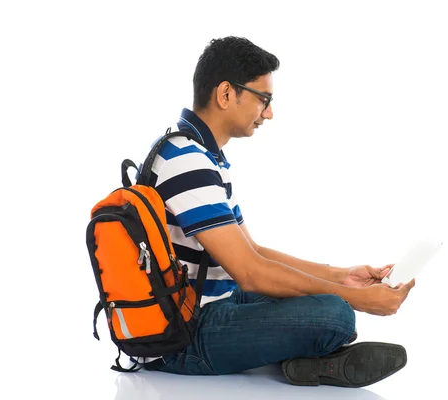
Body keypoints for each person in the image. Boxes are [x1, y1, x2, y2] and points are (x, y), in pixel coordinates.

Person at [137, 36, 416, 388]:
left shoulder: (197, 155)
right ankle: (312, 359)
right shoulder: (187, 161)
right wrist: (357, 299)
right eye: (263, 99)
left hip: (208, 304)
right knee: (336, 315)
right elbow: (251, 273)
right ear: (226, 94)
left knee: (323, 297)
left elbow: (251, 253)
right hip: (183, 334)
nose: (268, 113)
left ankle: (303, 358)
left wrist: (339, 277)